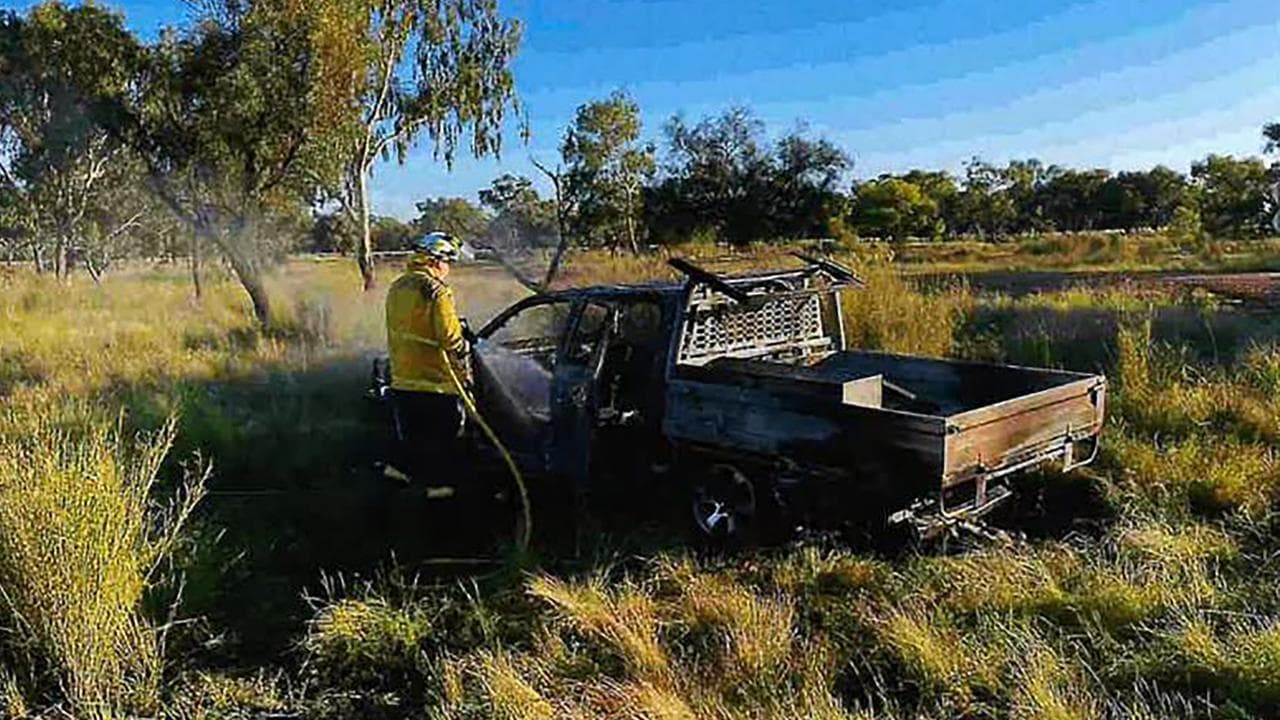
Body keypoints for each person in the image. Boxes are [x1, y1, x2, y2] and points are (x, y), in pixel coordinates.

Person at [384, 232, 470, 486]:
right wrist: (465, 351)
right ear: (435, 260)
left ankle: (391, 501)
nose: (448, 269)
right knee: (443, 456)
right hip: (436, 386)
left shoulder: (397, 286)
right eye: (448, 262)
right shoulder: (436, 290)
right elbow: (450, 337)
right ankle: (440, 510)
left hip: (402, 383)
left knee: (412, 451)